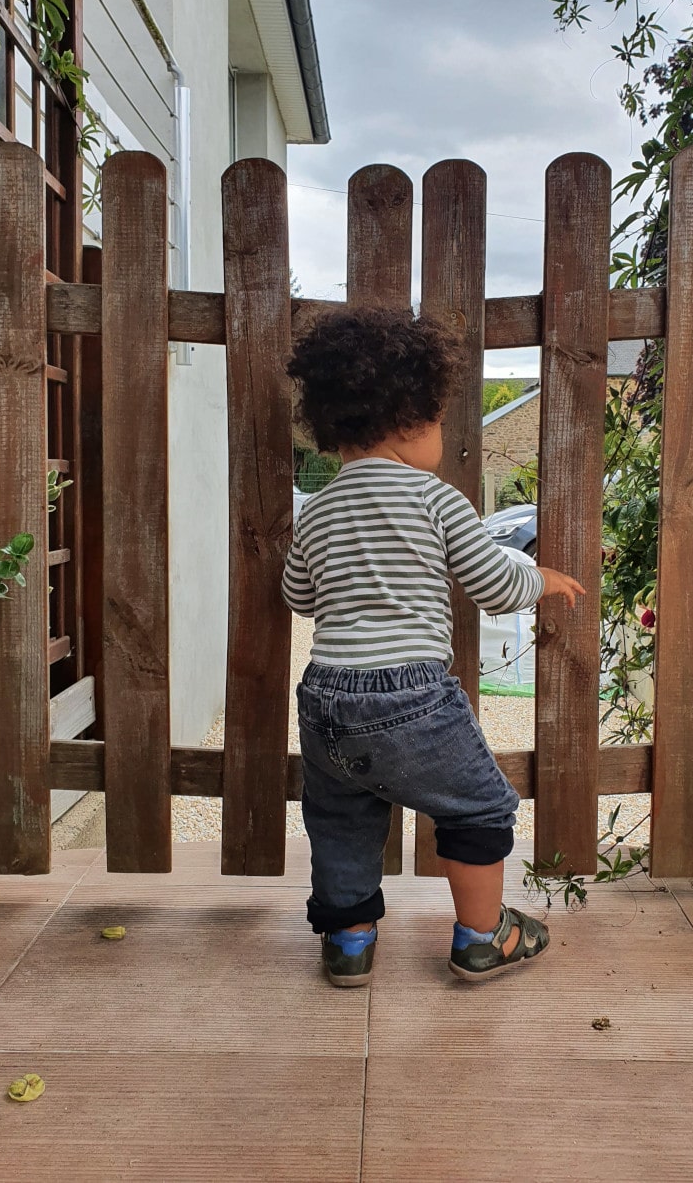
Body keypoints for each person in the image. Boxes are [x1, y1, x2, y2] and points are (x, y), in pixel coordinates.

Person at [282, 307, 585, 987]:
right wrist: (541, 579)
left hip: (326, 694)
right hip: (408, 692)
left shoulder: (321, 509)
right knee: (480, 804)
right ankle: (483, 937)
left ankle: (350, 942)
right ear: (411, 421)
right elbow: (492, 580)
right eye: (441, 423)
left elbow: (299, 595)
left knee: (341, 816)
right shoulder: (435, 498)